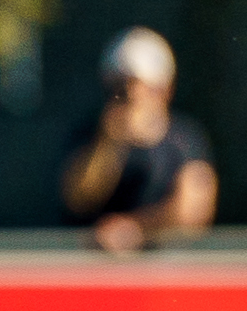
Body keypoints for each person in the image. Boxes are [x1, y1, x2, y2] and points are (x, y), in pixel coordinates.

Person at [60, 26, 217, 255]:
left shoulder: (185, 139)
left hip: (167, 272)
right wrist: (110, 142)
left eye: (145, 88)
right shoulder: (90, 135)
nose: (132, 97)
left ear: (166, 90)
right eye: (120, 89)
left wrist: (136, 229)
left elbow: (194, 211)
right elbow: (76, 198)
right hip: (94, 273)